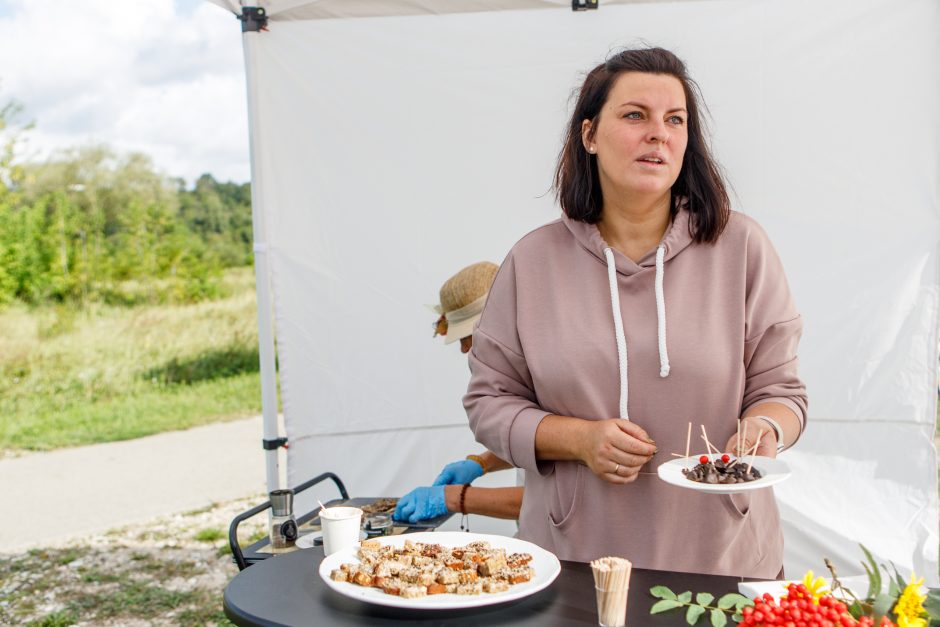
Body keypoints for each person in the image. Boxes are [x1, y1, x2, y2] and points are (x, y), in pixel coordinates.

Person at [464, 47, 807, 579]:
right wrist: (578, 439)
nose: (659, 133)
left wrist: (765, 427)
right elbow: (489, 403)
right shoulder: (532, 262)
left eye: (675, 120)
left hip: (725, 560)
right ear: (590, 136)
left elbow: (782, 391)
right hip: (572, 562)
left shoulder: (743, 247)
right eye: (634, 115)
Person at [393, 262, 524, 524]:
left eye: (468, 336)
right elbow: (539, 447)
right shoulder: (519, 371)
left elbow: (554, 501)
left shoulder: (555, 377)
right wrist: (482, 463)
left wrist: (456, 498)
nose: (465, 350)